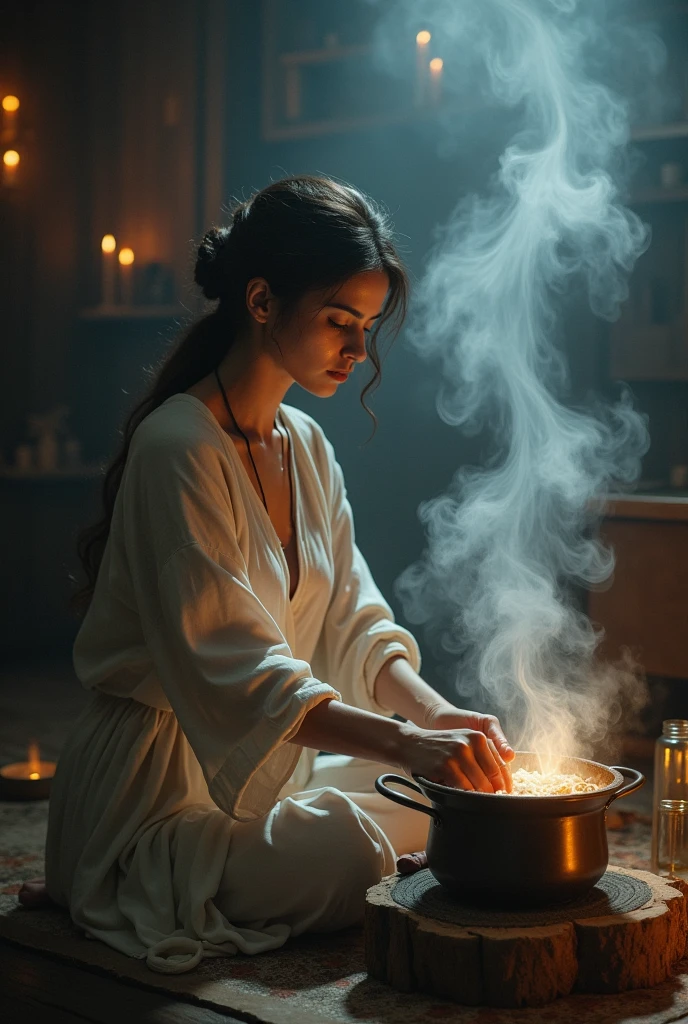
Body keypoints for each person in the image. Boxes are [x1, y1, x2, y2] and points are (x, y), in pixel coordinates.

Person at [18, 175, 514, 974]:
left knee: (451, 799)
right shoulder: (179, 446)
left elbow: (354, 617)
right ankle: (110, 878)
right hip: (154, 792)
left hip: (262, 767)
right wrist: (407, 745)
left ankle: (353, 839)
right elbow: (244, 672)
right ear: (259, 301)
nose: (357, 351)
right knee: (351, 853)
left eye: (368, 328)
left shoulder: (307, 446)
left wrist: (439, 720)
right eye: (337, 322)